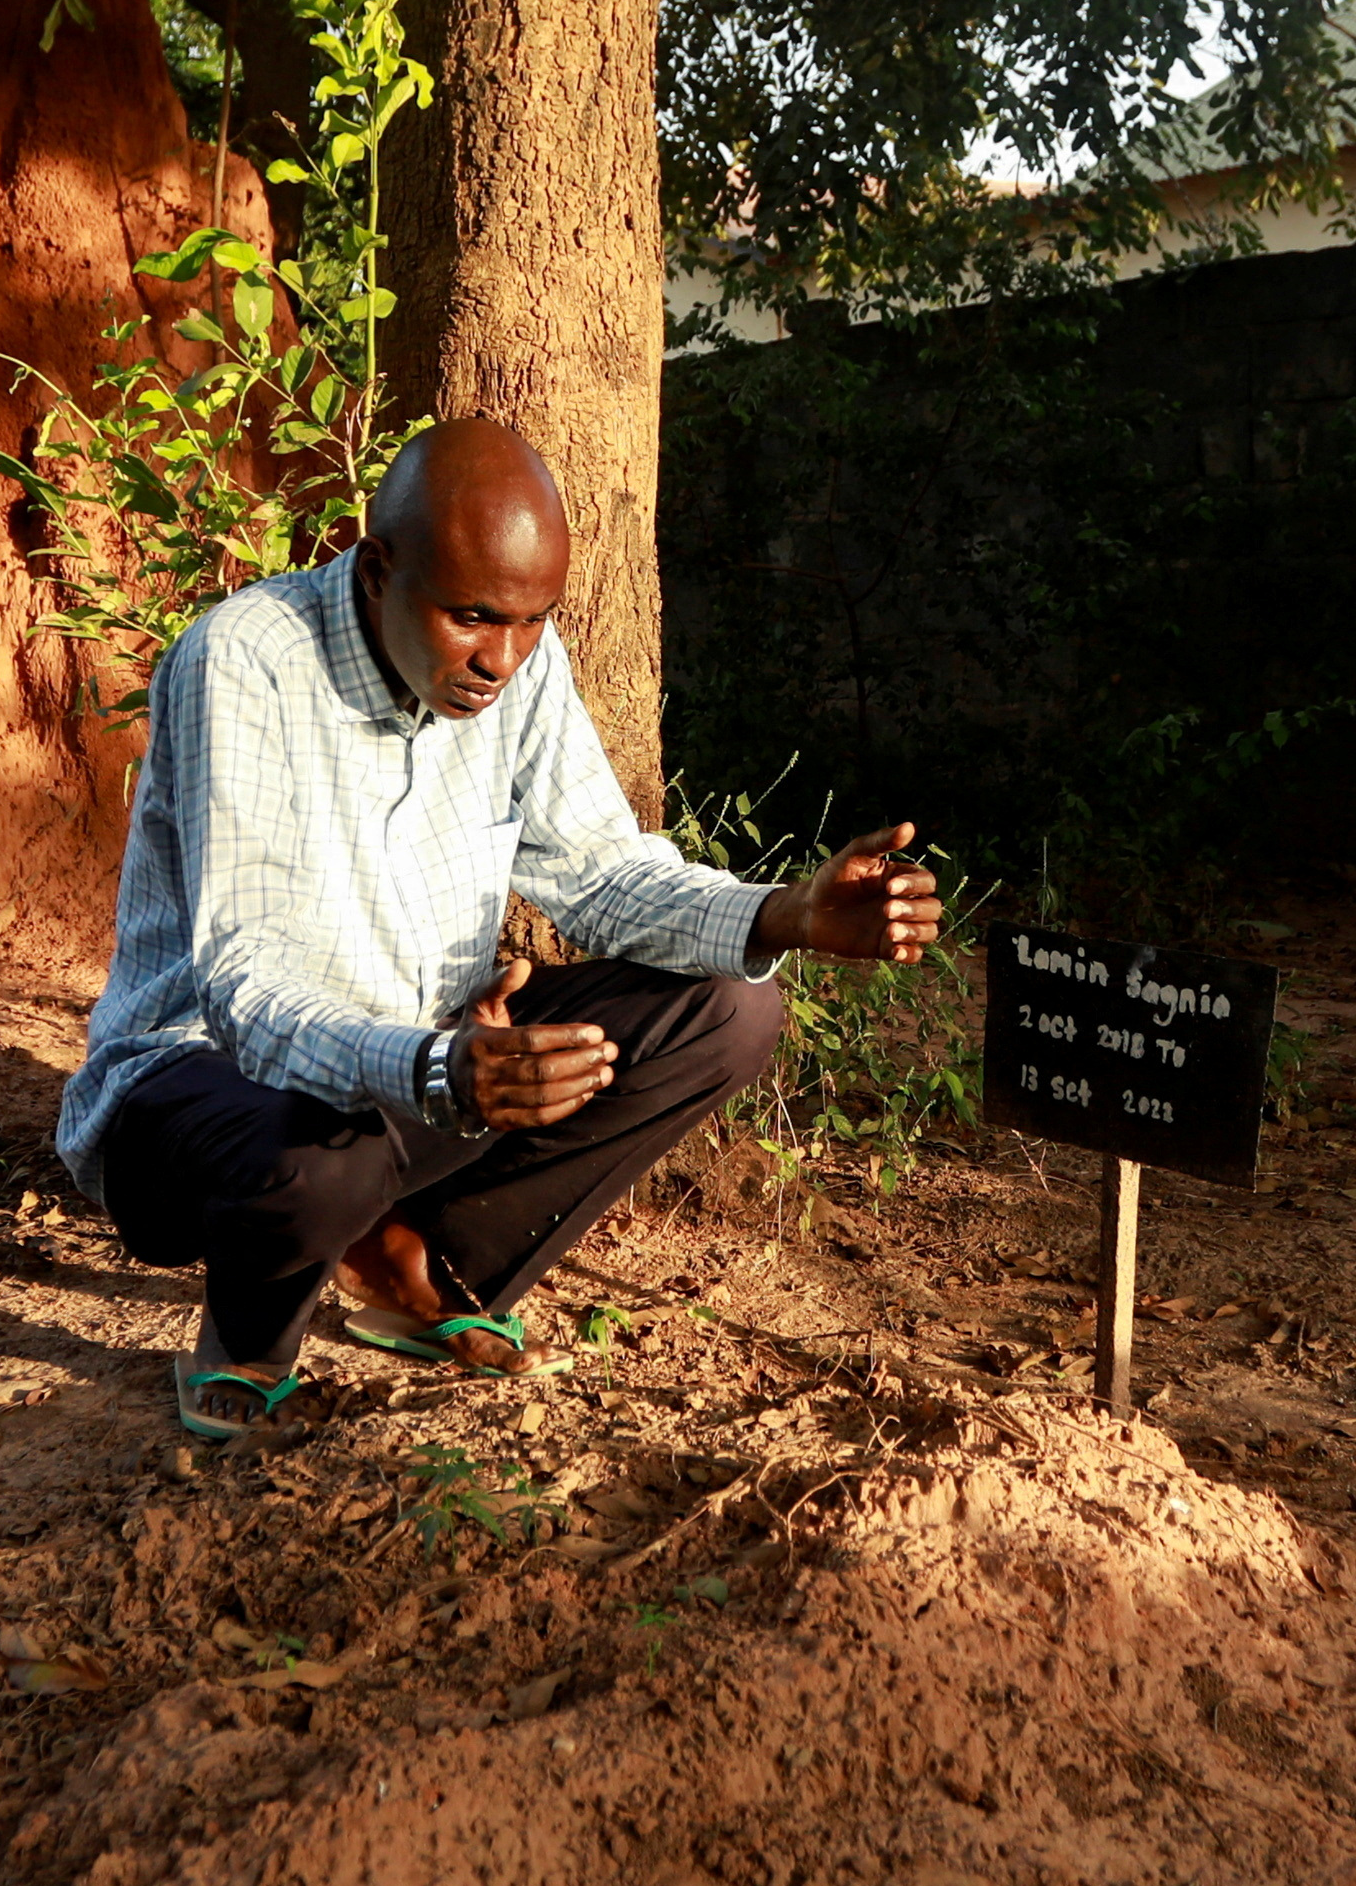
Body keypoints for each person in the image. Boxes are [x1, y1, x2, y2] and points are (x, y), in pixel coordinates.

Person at [55, 417, 938, 1438]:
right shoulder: (247, 662)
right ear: (374, 565)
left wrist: (782, 911)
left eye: (531, 622)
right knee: (318, 1157)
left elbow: (600, 873)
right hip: (201, 1083)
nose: (502, 659)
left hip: (434, 1060)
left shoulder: (520, 660)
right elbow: (248, 987)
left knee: (728, 1010)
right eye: (471, 616)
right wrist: (434, 1066)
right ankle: (250, 1335)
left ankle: (414, 1264)